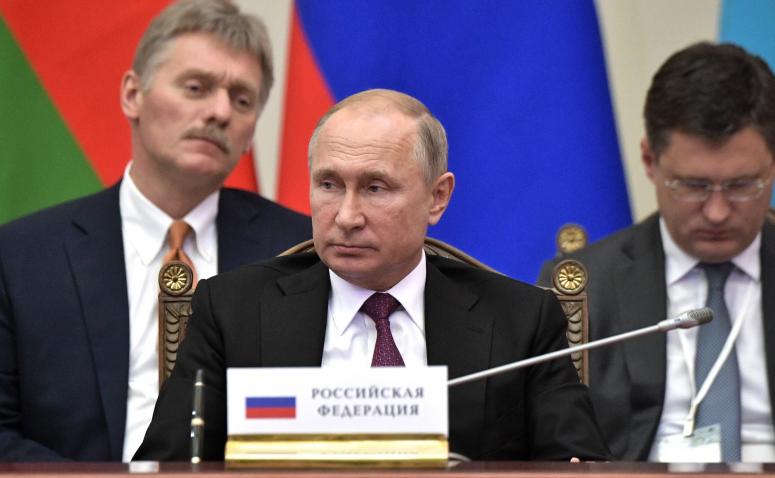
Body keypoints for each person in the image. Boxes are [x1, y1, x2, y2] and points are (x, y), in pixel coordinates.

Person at [134, 88, 610, 462]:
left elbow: (577, 462)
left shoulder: (520, 321)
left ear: (437, 198)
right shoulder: (232, 311)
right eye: (328, 184)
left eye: (375, 188)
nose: (346, 216)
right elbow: (168, 464)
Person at [0, 0, 310, 462]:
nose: (220, 111)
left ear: (251, 132)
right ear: (133, 94)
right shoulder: (22, 257)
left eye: (242, 100)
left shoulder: (299, 253)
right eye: (196, 87)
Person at [539, 42, 775, 462]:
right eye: (693, 186)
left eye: (741, 185)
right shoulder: (585, 288)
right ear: (650, 160)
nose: (717, 212)